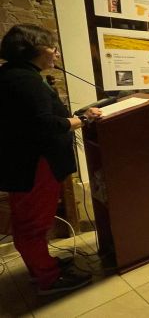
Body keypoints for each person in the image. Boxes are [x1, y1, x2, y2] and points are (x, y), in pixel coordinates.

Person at [0, 24, 102, 295]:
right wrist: (80, 120)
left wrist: (78, 114)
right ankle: (47, 277)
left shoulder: (18, 75)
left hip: (28, 163)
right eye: (52, 46)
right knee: (33, 223)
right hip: (35, 165)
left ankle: (41, 265)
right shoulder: (24, 80)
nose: (56, 52)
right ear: (34, 49)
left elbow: (38, 117)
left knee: (31, 221)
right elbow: (43, 125)